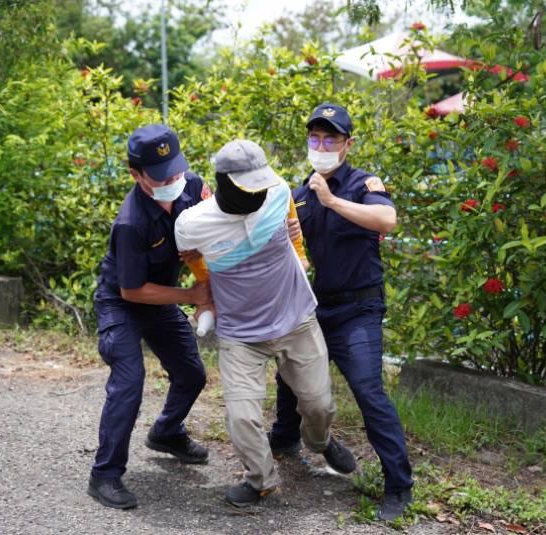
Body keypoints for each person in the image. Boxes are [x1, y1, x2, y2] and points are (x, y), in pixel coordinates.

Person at [174, 139, 356, 507]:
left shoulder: (278, 192)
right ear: (223, 183)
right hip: (241, 334)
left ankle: (320, 442)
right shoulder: (192, 224)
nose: (260, 191)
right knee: (242, 417)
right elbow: (197, 268)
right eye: (249, 186)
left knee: (319, 405)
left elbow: (294, 231)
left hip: (296, 317)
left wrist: (301, 259)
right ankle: (261, 478)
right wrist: (208, 297)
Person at [268, 103, 414, 520]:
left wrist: (331, 200)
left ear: (347, 144)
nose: (322, 145)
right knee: (288, 374)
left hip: (359, 309)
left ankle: (399, 487)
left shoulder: (363, 182)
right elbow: (299, 261)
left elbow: (387, 219)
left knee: (369, 391)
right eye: (315, 137)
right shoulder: (298, 194)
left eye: (330, 138)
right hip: (315, 307)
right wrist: (290, 236)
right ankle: (283, 441)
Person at [87, 124, 213, 510]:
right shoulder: (131, 223)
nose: (173, 181)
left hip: (162, 300)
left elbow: (212, 233)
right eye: (161, 177)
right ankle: (105, 474)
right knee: (129, 381)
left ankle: (166, 432)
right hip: (123, 303)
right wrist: (192, 296)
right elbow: (131, 290)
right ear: (135, 174)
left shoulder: (192, 187)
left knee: (193, 374)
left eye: (176, 170)